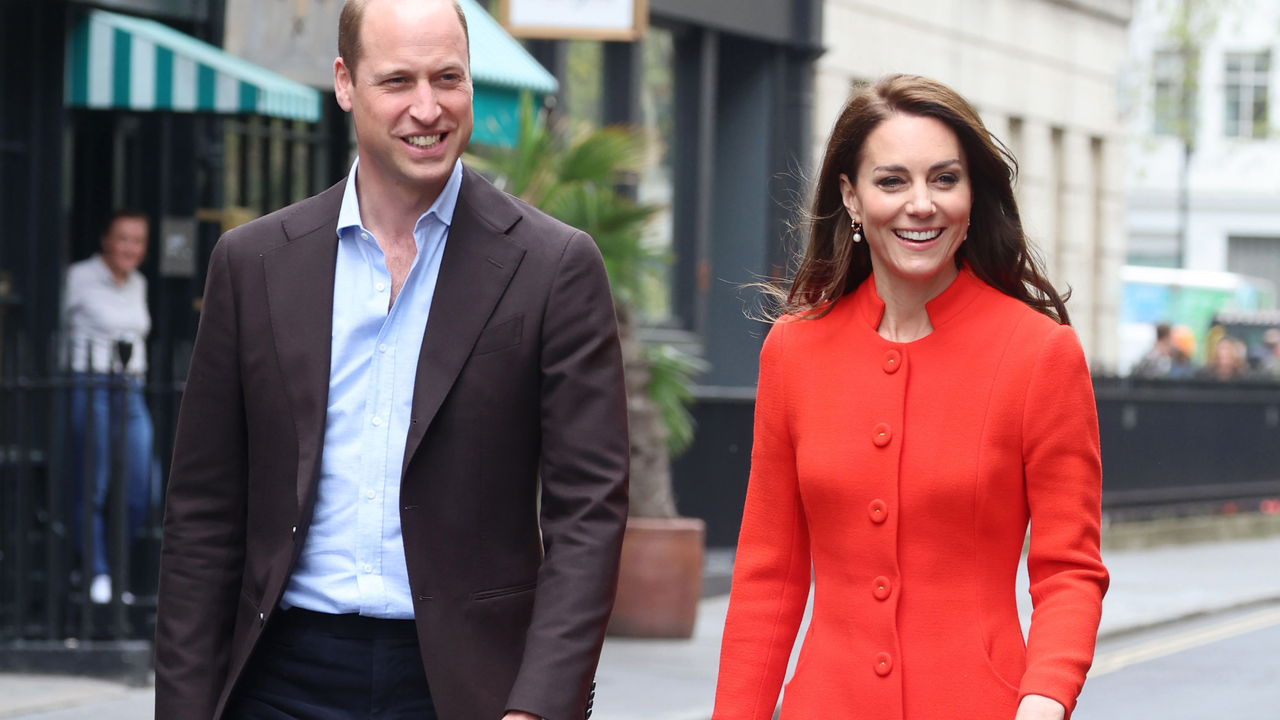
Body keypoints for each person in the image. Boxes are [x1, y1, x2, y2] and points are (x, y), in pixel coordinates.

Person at [153, 1, 630, 718]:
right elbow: (201, 515)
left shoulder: (554, 265)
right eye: (398, 81)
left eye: (448, 78)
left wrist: (539, 706)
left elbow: (589, 513)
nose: (427, 107)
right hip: (277, 677)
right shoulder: (252, 264)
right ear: (345, 83)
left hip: (464, 688)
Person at [712, 75, 1109, 720]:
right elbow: (768, 577)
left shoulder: (1041, 355)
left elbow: (1070, 571)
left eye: (944, 179)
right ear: (852, 197)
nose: (920, 204)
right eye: (892, 181)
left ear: (973, 194)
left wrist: (1044, 701)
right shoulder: (793, 352)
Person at [61, 208, 155, 605]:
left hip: (130, 389)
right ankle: (97, 572)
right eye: (123, 238)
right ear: (105, 240)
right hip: (90, 383)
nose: (130, 248)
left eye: (138, 241)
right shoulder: (78, 278)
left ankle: (112, 567)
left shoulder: (139, 283)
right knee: (92, 483)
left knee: (142, 488)